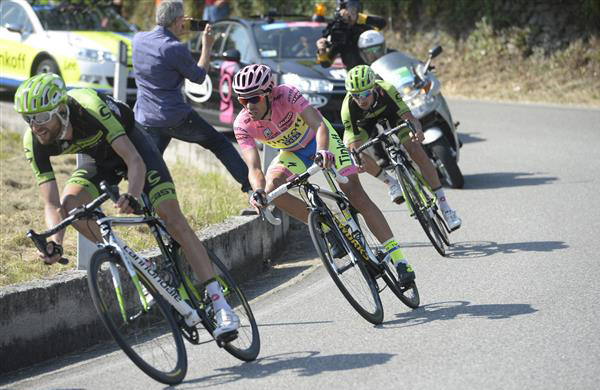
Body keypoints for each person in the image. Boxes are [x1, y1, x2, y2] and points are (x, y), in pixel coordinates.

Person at [15, 73, 239, 339]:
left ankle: (219, 303)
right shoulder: (33, 141)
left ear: (61, 110)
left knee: (171, 217)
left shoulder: (89, 107)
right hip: (98, 162)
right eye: (28, 118)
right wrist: (55, 241)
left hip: (135, 150)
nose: (34, 126)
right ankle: (142, 266)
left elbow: (134, 161)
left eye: (41, 118)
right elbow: (52, 202)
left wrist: (132, 195)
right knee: (71, 204)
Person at [231, 64, 417, 286]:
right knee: (272, 190)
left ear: (269, 93)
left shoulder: (287, 94)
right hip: (292, 153)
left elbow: (319, 125)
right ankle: (328, 228)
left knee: (355, 194)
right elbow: (254, 168)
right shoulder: (242, 124)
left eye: (254, 99)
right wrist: (258, 191)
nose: (249, 106)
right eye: (243, 100)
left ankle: (398, 259)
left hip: (322, 141)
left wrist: (322, 151)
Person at [132, 0, 251, 195]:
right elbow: (199, 76)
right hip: (175, 117)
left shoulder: (138, 39)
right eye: (182, 20)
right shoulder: (173, 48)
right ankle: (253, 188)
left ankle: (143, 205)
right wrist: (207, 46)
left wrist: (176, 30)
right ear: (179, 21)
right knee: (219, 144)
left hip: (146, 117)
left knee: (151, 165)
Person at [341, 65, 462, 230]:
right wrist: (357, 160)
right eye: (356, 95)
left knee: (415, 150)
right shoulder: (348, 108)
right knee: (355, 154)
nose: (361, 100)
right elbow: (353, 143)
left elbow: (410, 118)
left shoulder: (387, 90)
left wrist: (417, 131)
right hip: (363, 124)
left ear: (374, 87)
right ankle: (391, 182)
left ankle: (445, 207)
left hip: (391, 115)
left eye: (365, 94)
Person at [316, 0, 386, 70]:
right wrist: (322, 51)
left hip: (373, 70)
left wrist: (359, 17)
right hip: (354, 74)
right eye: (350, 9)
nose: (351, 13)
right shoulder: (338, 32)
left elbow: (382, 23)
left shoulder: (363, 25)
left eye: (354, 9)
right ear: (340, 11)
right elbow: (326, 64)